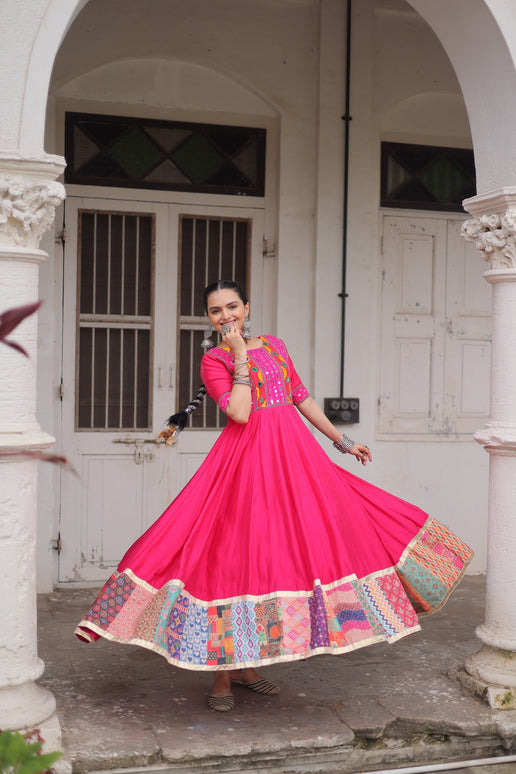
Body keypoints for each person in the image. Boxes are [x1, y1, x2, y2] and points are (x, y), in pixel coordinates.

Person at [75, 279, 472, 712]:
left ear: (247, 307)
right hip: (243, 466)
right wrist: (240, 357)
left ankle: (248, 666)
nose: (225, 316)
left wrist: (342, 442)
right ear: (207, 318)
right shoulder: (213, 360)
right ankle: (221, 677)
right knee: (230, 557)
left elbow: (301, 399)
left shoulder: (277, 347)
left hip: (294, 460)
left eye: (232, 307)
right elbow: (240, 412)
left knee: (297, 545)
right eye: (215, 311)